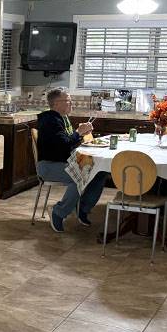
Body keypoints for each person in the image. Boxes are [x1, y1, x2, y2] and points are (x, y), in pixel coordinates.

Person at [35, 88, 109, 232]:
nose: (71, 103)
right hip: (49, 166)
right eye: (68, 101)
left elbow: (68, 143)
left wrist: (81, 134)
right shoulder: (50, 121)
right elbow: (64, 146)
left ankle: (82, 208)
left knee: (100, 172)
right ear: (56, 103)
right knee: (80, 176)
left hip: (63, 162)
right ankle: (58, 212)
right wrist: (78, 132)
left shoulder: (62, 118)